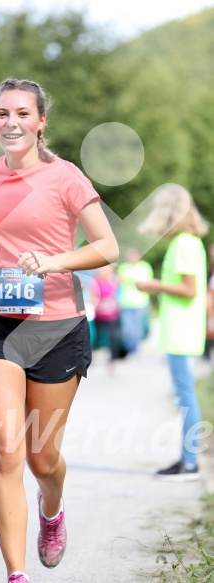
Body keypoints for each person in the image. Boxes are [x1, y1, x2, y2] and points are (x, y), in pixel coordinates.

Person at [0, 78, 119, 583]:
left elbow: (105, 246)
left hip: (58, 326)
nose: (10, 123)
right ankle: (16, 574)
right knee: (6, 452)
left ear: (41, 122)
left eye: (22, 113)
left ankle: (52, 506)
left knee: (43, 460)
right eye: (1, 114)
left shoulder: (67, 178)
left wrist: (52, 262)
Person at [136, 184, 209, 481]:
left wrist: (154, 285)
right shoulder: (190, 242)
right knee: (184, 393)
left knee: (185, 394)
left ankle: (189, 462)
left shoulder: (183, 244)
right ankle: (187, 459)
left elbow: (189, 290)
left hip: (182, 331)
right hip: (183, 330)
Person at [117, 247, 153, 353]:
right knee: (128, 330)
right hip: (126, 303)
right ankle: (132, 349)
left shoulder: (145, 267)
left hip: (140, 303)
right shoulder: (123, 267)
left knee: (138, 329)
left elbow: (146, 283)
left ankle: (136, 348)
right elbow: (120, 282)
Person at [88, 264, 122, 369]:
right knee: (96, 337)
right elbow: (93, 297)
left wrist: (115, 304)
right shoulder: (95, 282)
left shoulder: (114, 281)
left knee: (113, 337)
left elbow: (119, 296)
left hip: (112, 314)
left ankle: (112, 360)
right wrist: (100, 305)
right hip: (99, 314)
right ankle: (90, 358)